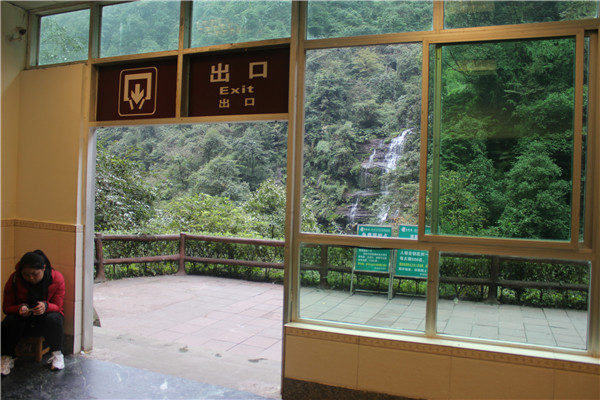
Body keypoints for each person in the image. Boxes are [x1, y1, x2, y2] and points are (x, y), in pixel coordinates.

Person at [1, 250, 65, 375]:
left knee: (55, 318)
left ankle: (57, 354)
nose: (30, 278)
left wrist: (46, 306)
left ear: (44, 268)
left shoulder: (56, 278)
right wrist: (19, 308)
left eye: (35, 274)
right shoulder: (14, 279)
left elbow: (58, 306)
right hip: (23, 321)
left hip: (44, 320)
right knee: (10, 320)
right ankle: (6, 356)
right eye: (26, 275)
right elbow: (6, 307)